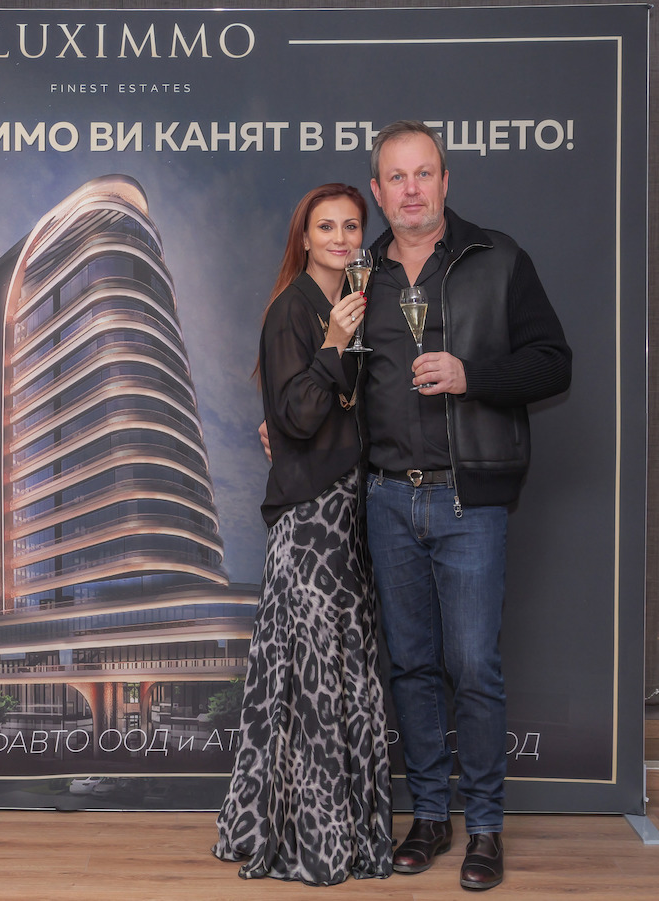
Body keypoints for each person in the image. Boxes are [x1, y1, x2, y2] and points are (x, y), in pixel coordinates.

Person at [360, 120, 572, 891]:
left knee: (473, 665)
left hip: (468, 499)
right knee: (412, 666)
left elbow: (554, 364)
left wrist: (471, 374)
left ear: (446, 182)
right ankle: (429, 817)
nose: (411, 189)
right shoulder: (360, 276)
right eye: (396, 177)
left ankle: (484, 827)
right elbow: (345, 383)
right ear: (378, 191)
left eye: (424, 173)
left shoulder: (499, 258)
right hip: (387, 499)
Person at [212, 184, 394, 885]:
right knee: (308, 681)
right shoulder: (294, 309)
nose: (342, 238)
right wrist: (335, 343)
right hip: (311, 517)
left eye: (352, 226)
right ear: (305, 238)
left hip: (349, 511)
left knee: (343, 674)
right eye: (327, 226)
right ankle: (309, 839)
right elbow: (296, 417)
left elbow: (354, 409)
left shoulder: (354, 302)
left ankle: (347, 828)